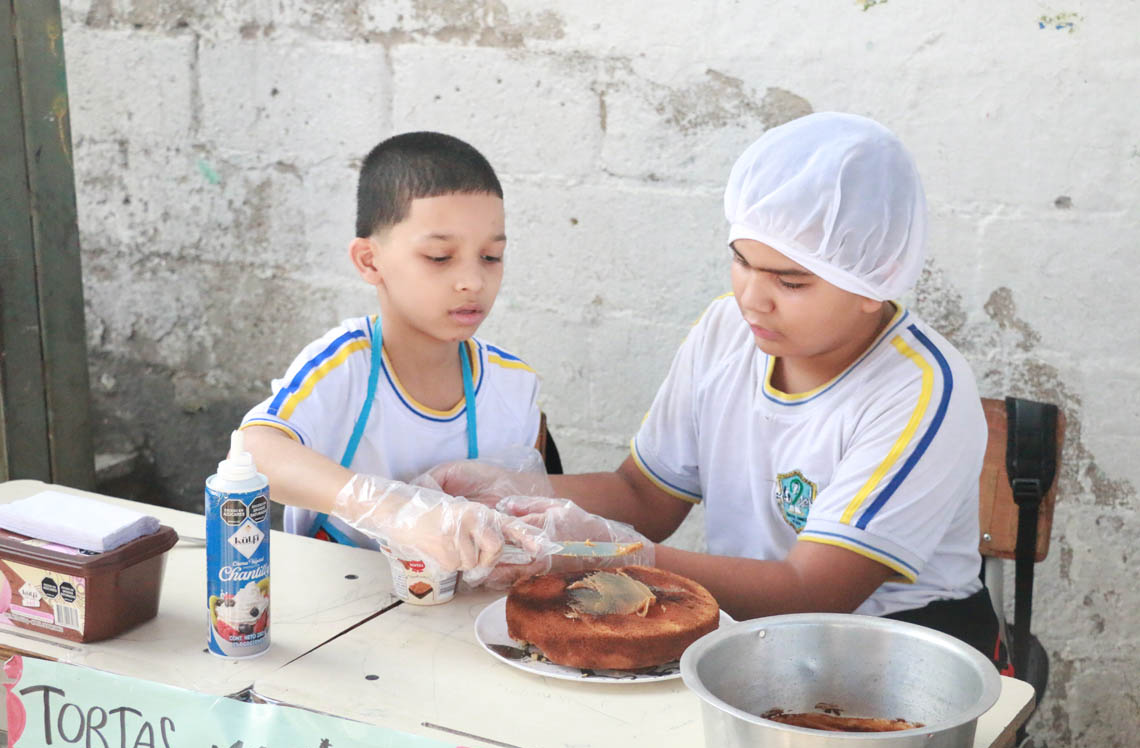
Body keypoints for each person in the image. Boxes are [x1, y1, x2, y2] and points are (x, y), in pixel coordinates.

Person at [431, 112, 1003, 662]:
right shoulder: (727, 330)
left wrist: (615, 554)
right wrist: (514, 489)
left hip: (890, 651)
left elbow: (814, 592)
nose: (754, 296)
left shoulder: (919, 390)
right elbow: (644, 498)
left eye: (791, 280)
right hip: (750, 631)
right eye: (742, 261)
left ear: (872, 285)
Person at [237, 131, 553, 582]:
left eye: (490, 256)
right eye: (440, 257)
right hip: (339, 619)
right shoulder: (346, 365)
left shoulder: (513, 385)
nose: (473, 281)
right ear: (370, 261)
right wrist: (392, 507)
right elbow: (255, 451)